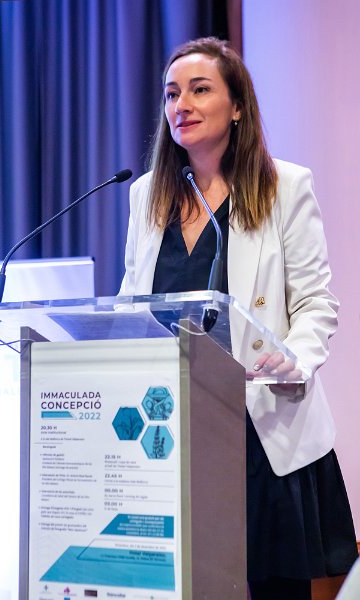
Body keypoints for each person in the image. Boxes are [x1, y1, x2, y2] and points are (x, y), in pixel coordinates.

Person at [119, 37, 358, 599]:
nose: (181, 105)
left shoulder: (284, 186)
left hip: (260, 427)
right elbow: (132, 301)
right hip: (169, 425)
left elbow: (315, 302)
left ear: (237, 107)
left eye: (200, 90)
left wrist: (294, 357)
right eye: (171, 94)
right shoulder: (146, 195)